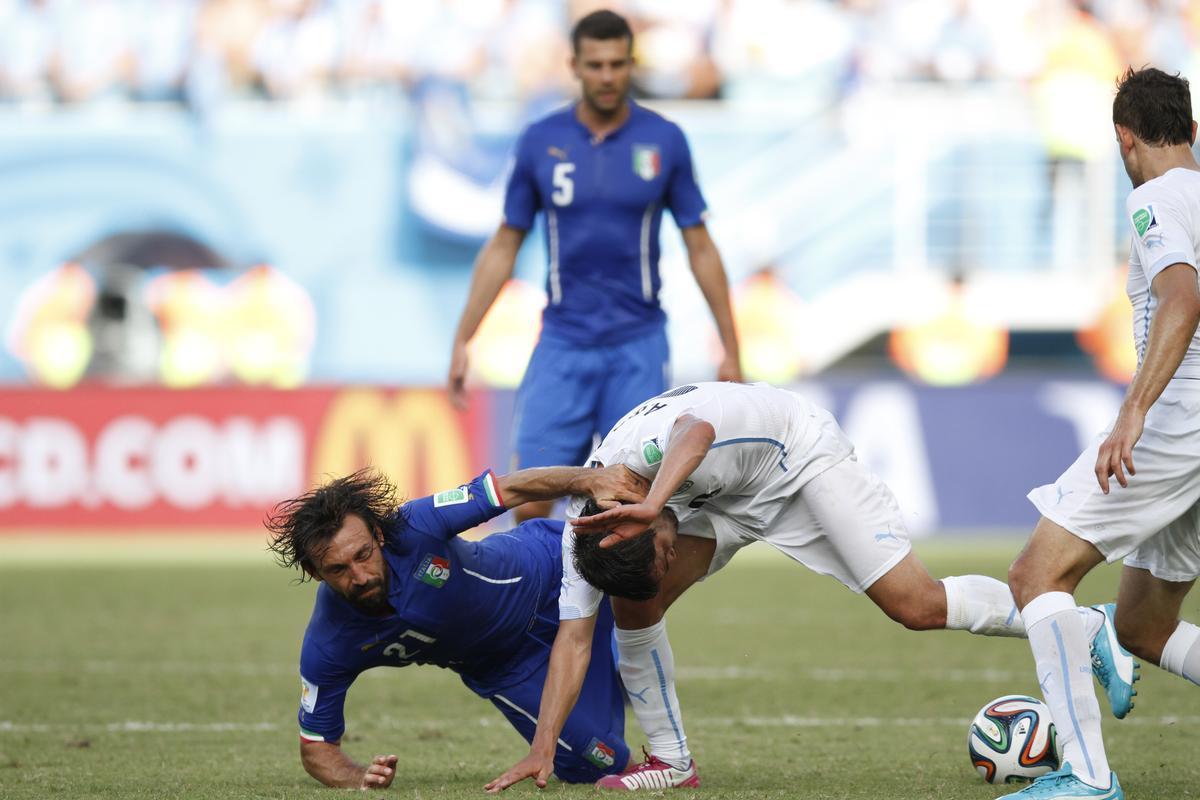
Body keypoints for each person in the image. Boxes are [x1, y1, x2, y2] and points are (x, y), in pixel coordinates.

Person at [485, 381, 1048, 792]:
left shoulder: (643, 460)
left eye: (663, 550)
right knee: (636, 603)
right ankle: (673, 761)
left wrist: (658, 502)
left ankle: (1069, 621)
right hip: (714, 496)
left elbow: (697, 431)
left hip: (794, 460)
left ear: (642, 514)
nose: (671, 557)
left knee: (915, 605)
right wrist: (542, 748)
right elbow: (574, 640)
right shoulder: (585, 542)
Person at [447, 9, 742, 523]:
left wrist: (731, 349)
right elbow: (504, 244)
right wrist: (463, 337)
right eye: (595, 65)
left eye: (616, 64)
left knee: (638, 500)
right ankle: (542, 605)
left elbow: (700, 246)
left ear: (631, 64)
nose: (607, 76)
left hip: (638, 345)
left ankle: (627, 607)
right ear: (575, 66)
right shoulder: (541, 141)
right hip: (563, 344)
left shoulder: (664, 140)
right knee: (531, 502)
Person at [1005, 67, 1200, 800]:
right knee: (1144, 628)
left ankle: (1086, 777)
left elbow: (1183, 298)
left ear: (1123, 138)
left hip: (1177, 422)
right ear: (1190, 130)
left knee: (1035, 576)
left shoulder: (1153, 199)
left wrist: (1134, 411)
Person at [265, 462, 650, 789]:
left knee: (656, 564)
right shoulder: (329, 641)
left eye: (363, 554)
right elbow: (316, 747)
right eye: (338, 569)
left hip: (555, 569)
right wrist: (357, 777)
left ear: (378, 535)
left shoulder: (415, 525)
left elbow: (510, 489)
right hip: (507, 669)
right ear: (314, 573)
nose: (360, 575)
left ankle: (673, 756)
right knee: (602, 764)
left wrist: (588, 480)